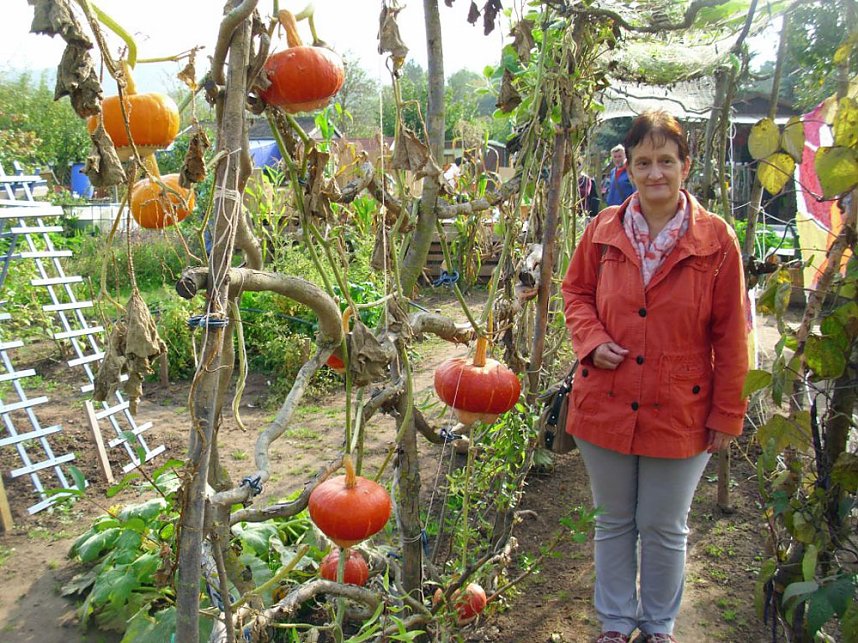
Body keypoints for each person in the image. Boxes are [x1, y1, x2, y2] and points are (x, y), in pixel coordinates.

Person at [561, 110, 749, 643]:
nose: (654, 173)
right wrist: (592, 341)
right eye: (643, 161)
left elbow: (733, 333)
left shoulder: (717, 241)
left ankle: (659, 627)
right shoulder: (602, 229)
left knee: (664, 526)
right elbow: (575, 292)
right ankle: (617, 626)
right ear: (629, 167)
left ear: (685, 166)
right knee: (615, 520)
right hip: (607, 398)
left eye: (666, 161)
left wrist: (727, 412)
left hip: (681, 405)